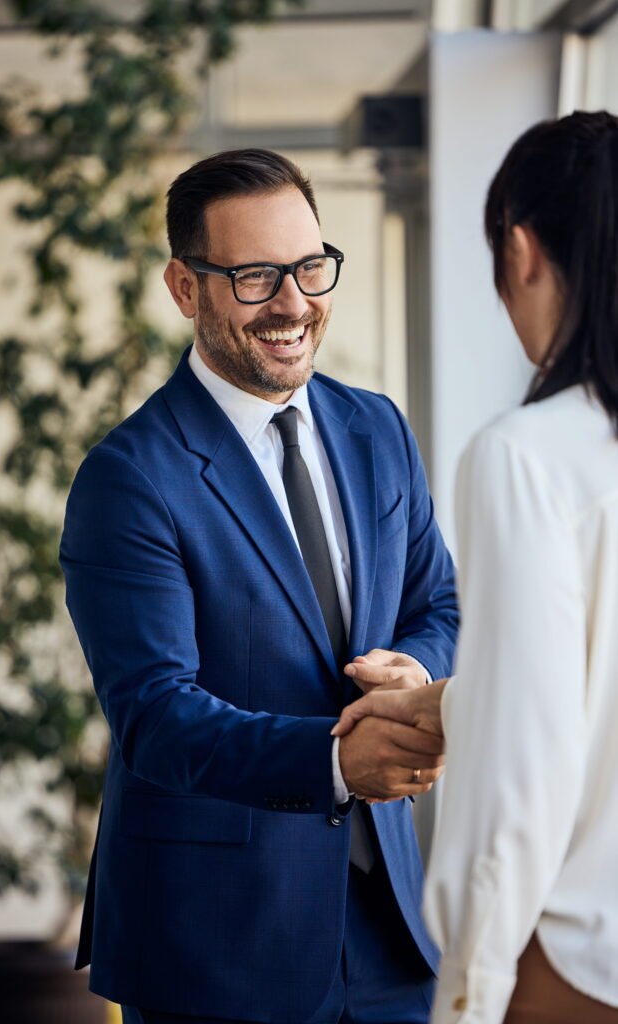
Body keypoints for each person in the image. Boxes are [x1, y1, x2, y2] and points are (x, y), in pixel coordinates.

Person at [59, 148, 459, 1024]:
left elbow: (439, 604)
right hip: (218, 943)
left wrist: (410, 674)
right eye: (252, 276)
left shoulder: (377, 427)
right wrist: (332, 758)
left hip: (390, 925)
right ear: (183, 286)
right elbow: (156, 716)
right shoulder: (128, 477)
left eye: (309, 266)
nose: (292, 303)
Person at [333, 110, 618, 1024]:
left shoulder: (526, 454)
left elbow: (521, 773)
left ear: (521, 248)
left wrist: (469, 995)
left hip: (576, 960)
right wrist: (453, 702)